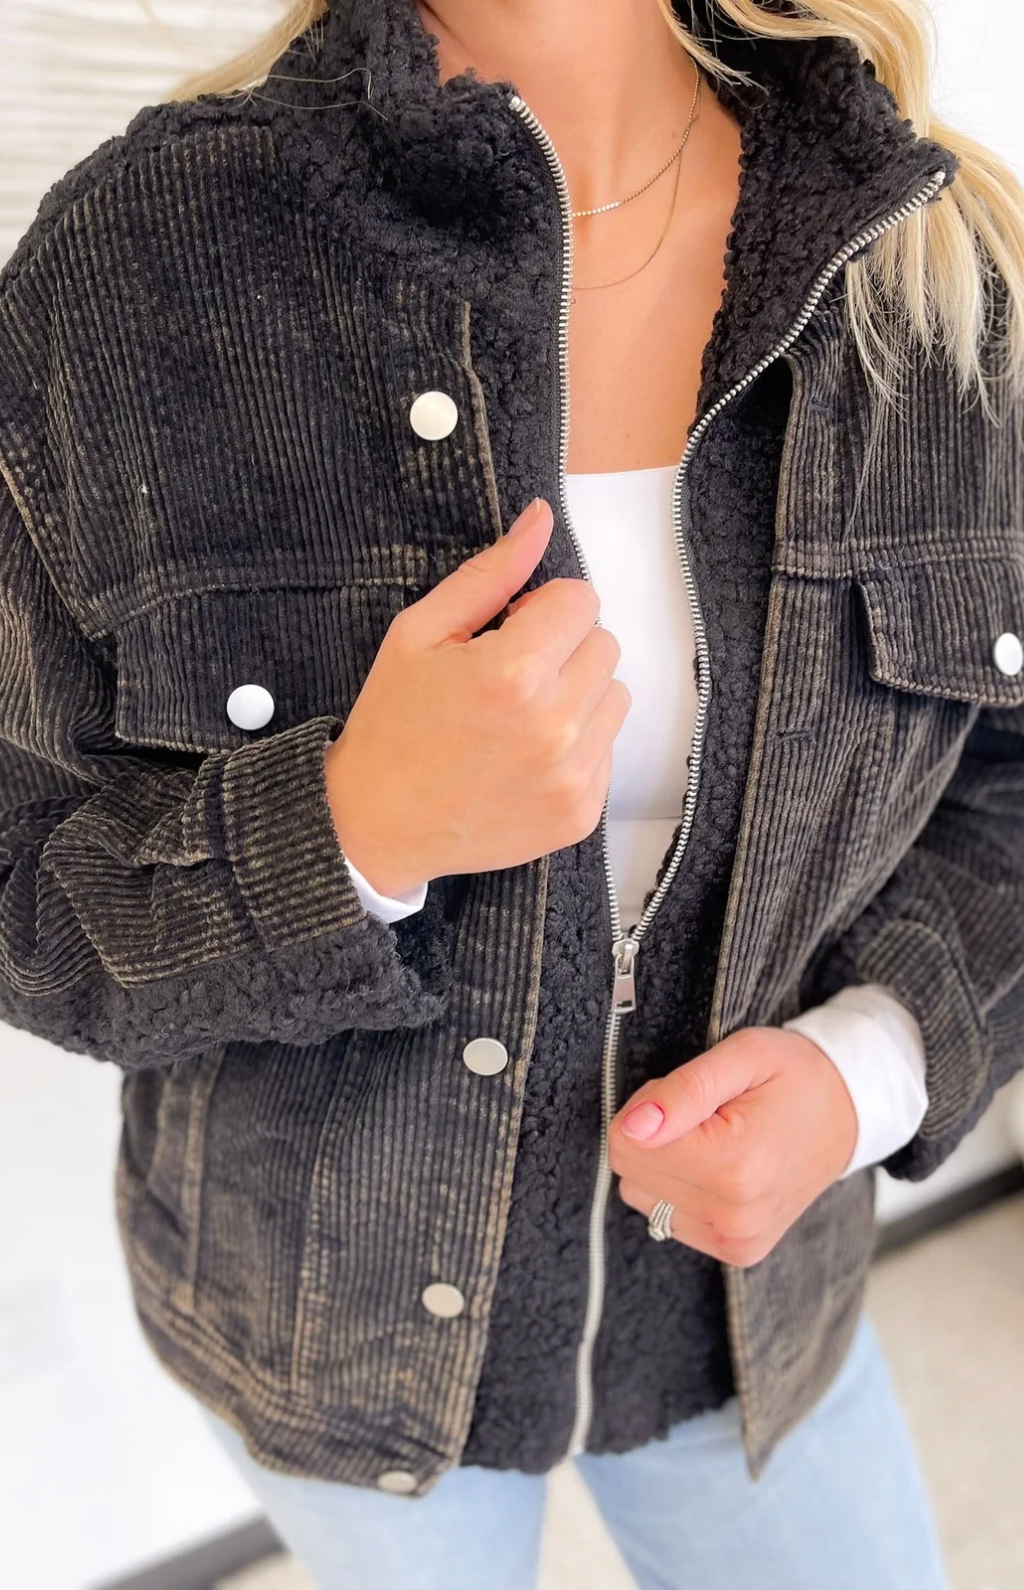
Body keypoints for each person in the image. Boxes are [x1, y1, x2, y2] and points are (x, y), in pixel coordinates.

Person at [1, 0, 1023, 1585]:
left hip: (748, 1322)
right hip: (329, 1344)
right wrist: (346, 833)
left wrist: (868, 1069)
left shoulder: (935, 271)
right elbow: (21, 882)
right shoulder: (136, 267)